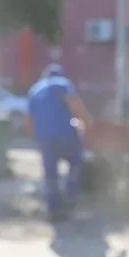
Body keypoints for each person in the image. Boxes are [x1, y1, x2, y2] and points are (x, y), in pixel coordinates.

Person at [26, 64, 94, 220]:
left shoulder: (34, 90)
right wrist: (87, 120)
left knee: (50, 173)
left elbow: (28, 120)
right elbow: (74, 104)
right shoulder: (63, 83)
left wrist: (35, 137)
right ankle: (71, 199)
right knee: (75, 163)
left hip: (45, 138)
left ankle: (53, 208)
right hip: (66, 135)